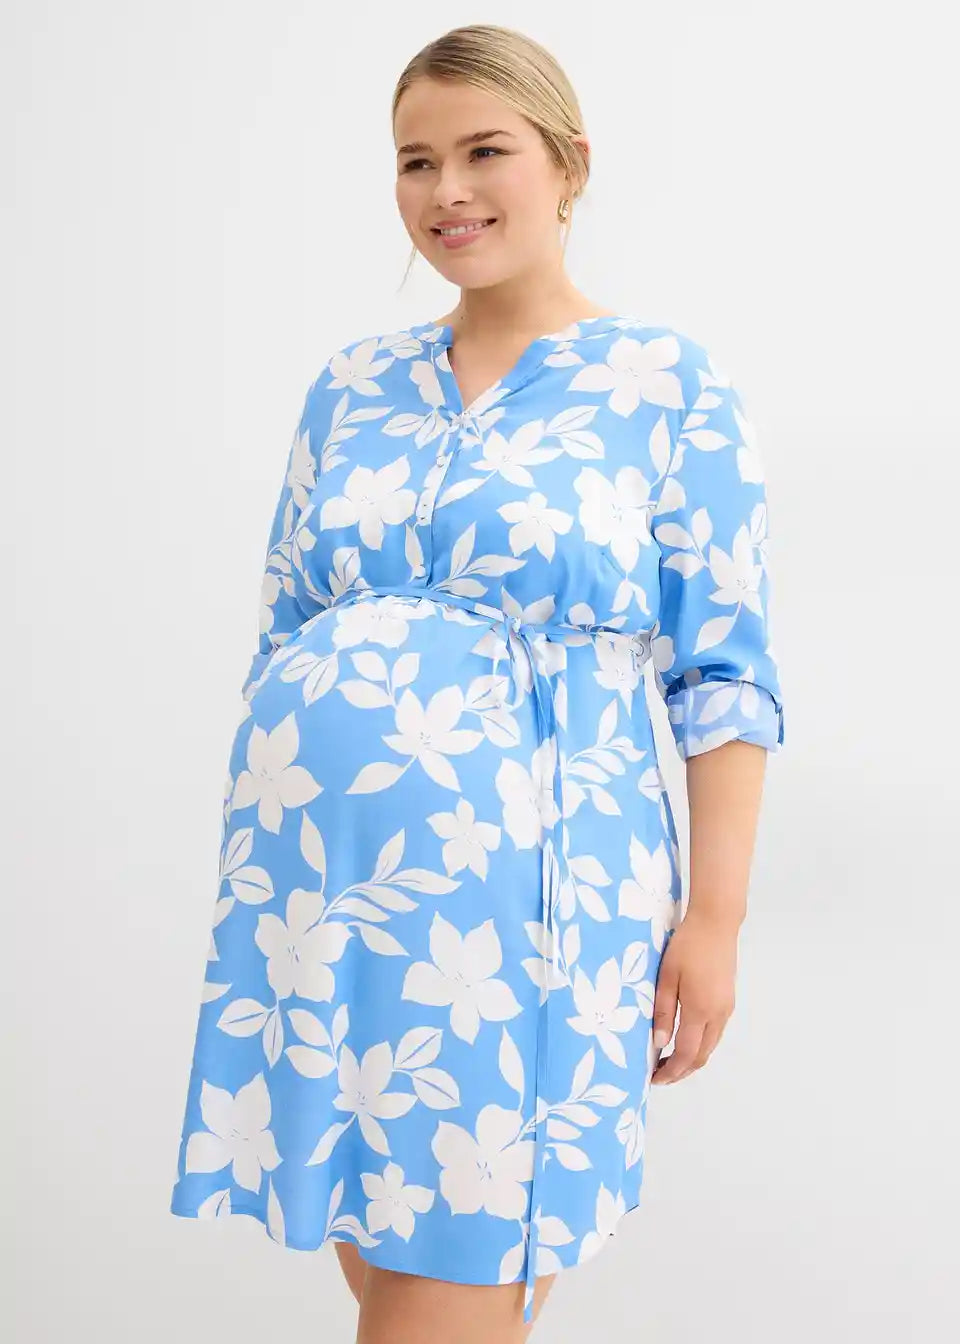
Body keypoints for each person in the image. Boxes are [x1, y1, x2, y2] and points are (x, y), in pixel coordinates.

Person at [169, 21, 785, 1344]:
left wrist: (718, 920)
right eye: (415, 161)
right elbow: (285, 628)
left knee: (443, 1291)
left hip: (530, 906)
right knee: (409, 1277)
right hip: (318, 900)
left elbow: (726, 676)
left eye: (483, 151)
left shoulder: (664, 385)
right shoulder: (350, 387)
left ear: (569, 165)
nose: (445, 191)